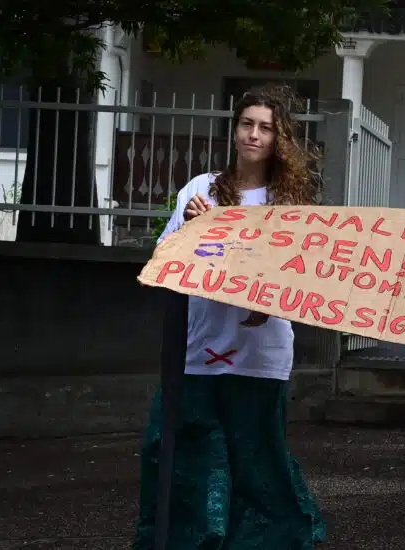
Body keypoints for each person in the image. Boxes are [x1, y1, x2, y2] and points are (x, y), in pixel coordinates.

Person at [134, 83, 327, 549]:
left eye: (265, 127)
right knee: (179, 453)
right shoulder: (200, 189)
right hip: (197, 348)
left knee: (257, 461)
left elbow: (300, 275)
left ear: (279, 138)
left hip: (259, 356)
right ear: (234, 128)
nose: (254, 135)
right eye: (246, 124)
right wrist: (193, 225)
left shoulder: (287, 204)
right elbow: (163, 259)